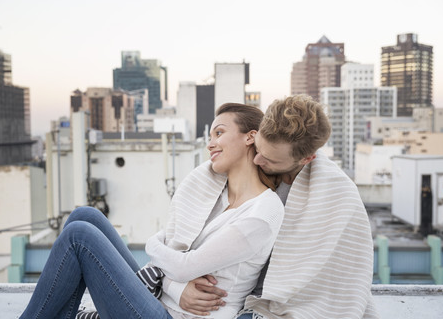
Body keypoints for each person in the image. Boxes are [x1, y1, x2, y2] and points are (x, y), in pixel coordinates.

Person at [19, 103, 284, 319]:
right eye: (210, 136)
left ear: (251, 137)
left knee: (78, 236)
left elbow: (184, 266)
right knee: (85, 216)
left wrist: (153, 244)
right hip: (164, 300)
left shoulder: (263, 211)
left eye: (219, 133)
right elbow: (178, 256)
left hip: (182, 317)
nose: (210, 144)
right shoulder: (214, 190)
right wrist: (176, 289)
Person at [172, 94, 379, 319]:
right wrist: (176, 287)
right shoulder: (240, 171)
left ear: (306, 159)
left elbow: (346, 276)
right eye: (259, 149)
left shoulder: (337, 195)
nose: (258, 161)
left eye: (269, 159)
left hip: (256, 307)